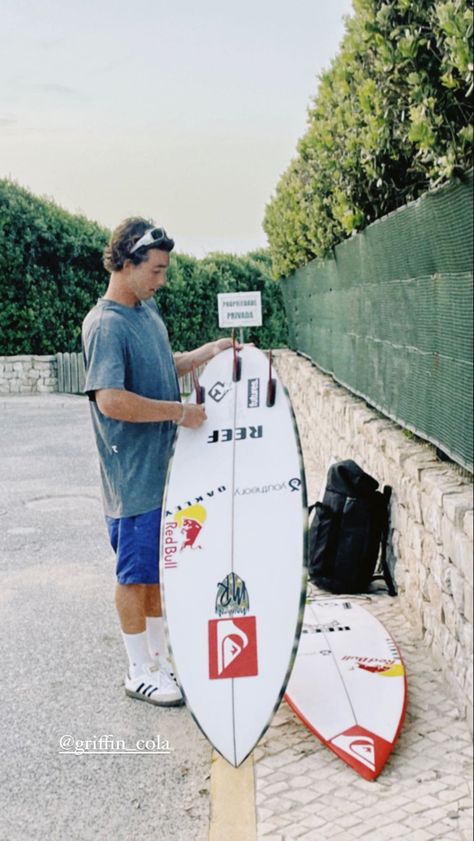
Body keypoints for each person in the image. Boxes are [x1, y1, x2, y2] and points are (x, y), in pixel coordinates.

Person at [82, 217, 234, 707]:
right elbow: (110, 399)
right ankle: (137, 670)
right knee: (133, 574)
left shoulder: (146, 313)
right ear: (126, 263)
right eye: (156, 270)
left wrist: (204, 354)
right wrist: (179, 413)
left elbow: (156, 369)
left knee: (153, 571)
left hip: (162, 473)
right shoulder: (105, 324)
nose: (161, 280)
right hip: (133, 479)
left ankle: (157, 658)